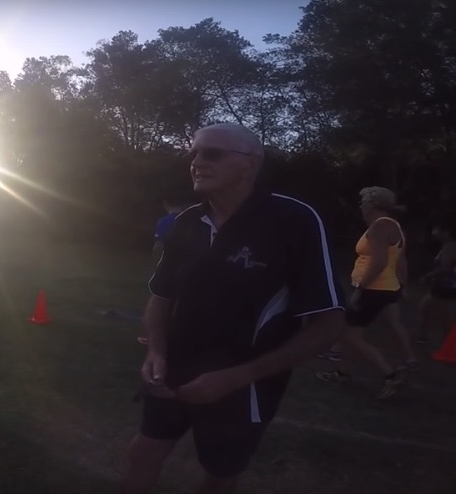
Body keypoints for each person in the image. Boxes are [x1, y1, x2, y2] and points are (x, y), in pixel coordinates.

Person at [122, 123, 345, 494]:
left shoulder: (295, 221)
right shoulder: (186, 222)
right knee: (142, 453)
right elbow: (161, 297)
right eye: (193, 152)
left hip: (245, 386)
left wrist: (236, 378)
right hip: (173, 371)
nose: (196, 162)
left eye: (211, 153)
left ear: (249, 163)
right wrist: (155, 352)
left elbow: (329, 325)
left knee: (220, 476)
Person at [316, 186, 412, 397]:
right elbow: (399, 260)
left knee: (346, 334)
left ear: (374, 206)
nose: (361, 205)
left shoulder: (380, 227)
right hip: (384, 288)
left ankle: (391, 374)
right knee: (354, 333)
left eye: (364, 202)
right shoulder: (392, 225)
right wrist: (402, 284)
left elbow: (379, 262)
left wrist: (360, 289)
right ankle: (344, 373)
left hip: (373, 288)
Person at [139, 198, 188, 345]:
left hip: (169, 266)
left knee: (160, 299)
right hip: (188, 266)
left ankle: (154, 336)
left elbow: (159, 245)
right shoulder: (193, 219)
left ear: (166, 204)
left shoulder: (165, 221)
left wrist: (157, 263)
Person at [415, 221, 456, 344]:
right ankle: (423, 336)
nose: (434, 233)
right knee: (425, 307)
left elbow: (445, 268)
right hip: (442, 285)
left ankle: (450, 346)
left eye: (437, 230)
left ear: (446, 232)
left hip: (446, 286)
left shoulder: (451, 247)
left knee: (444, 317)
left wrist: (428, 276)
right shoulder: (447, 246)